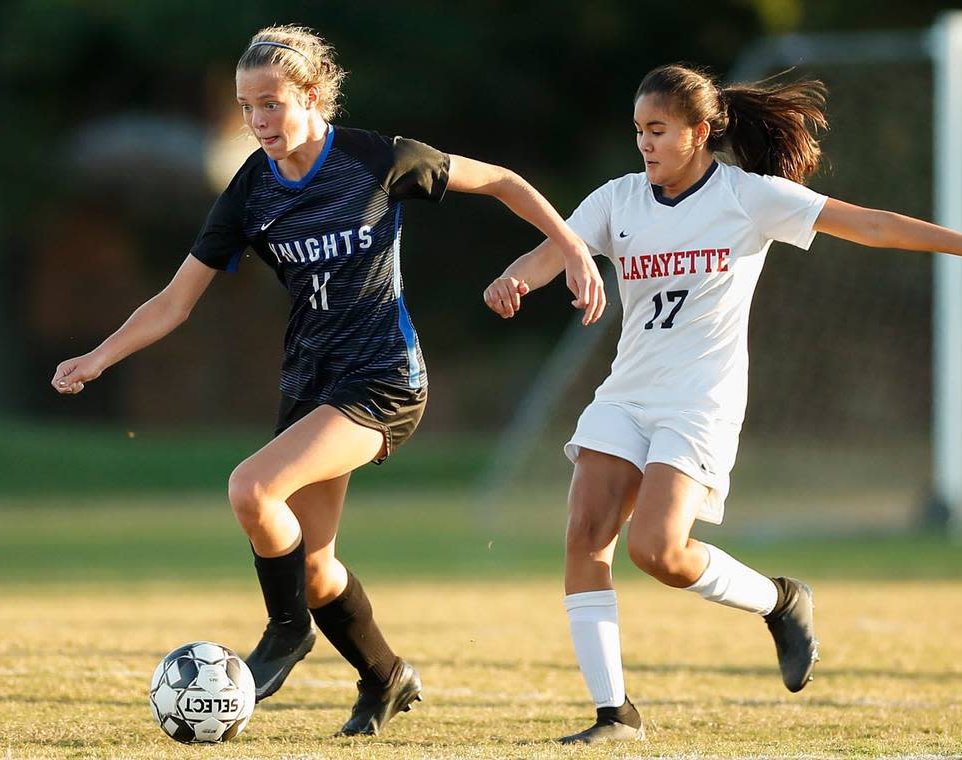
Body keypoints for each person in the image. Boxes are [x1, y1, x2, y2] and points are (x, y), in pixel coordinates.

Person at [51, 24, 605, 738]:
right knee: (315, 570)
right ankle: (386, 678)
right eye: (247, 108)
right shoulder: (250, 189)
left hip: (383, 380)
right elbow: (173, 301)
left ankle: (286, 634)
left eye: (272, 104)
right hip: (310, 379)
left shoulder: (377, 159)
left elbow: (501, 181)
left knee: (252, 489)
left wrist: (569, 248)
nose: (258, 122)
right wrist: (98, 357)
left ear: (312, 96)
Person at [483, 63, 962, 744]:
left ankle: (780, 600)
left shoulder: (749, 197)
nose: (645, 145)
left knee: (658, 552)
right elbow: (557, 250)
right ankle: (614, 715)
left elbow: (868, 224)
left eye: (657, 130)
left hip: (698, 403)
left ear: (700, 131)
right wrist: (514, 280)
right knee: (584, 535)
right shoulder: (619, 198)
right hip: (626, 395)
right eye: (638, 132)